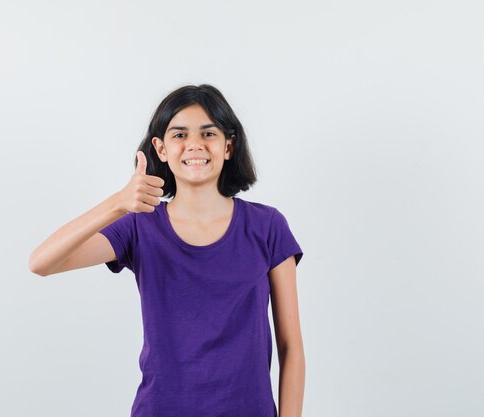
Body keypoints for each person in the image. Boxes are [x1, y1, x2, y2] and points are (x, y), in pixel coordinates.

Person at [28, 84, 305, 417]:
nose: (195, 145)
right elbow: (42, 262)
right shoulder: (140, 227)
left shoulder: (266, 226)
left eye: (208, 133)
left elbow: (291, 347)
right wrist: (118, 203)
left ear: (228, 146)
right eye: (179, 135)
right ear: (159, 148)